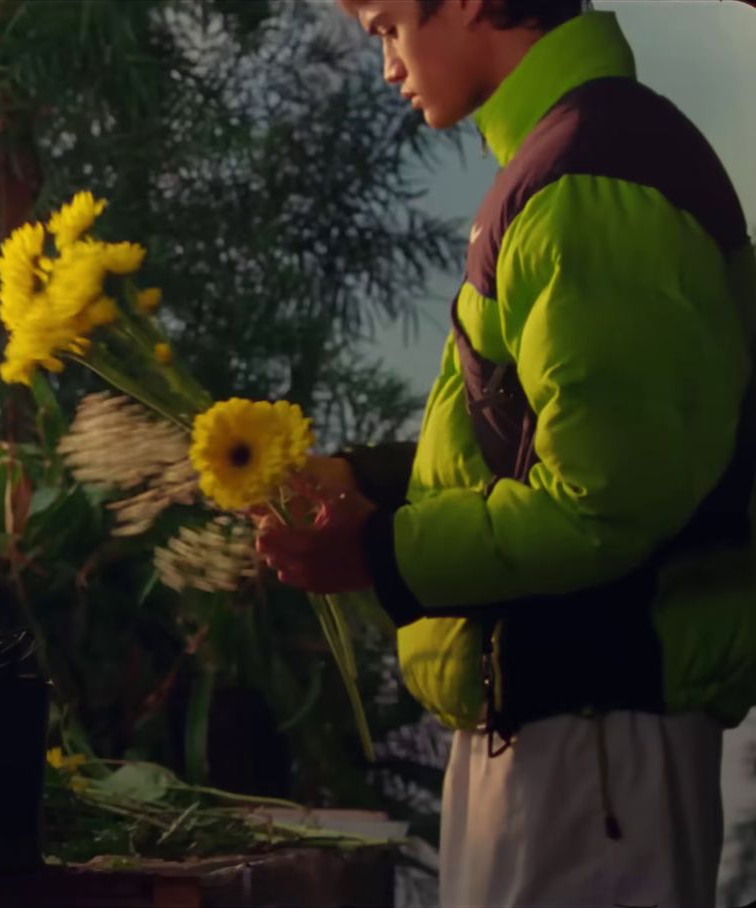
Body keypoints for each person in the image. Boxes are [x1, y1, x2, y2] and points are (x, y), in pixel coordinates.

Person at [255, 1, 756, 905]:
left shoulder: (593, 175)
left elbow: (605, 501)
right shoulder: (563, 161)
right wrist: (364, 484)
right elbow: (541, 451)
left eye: (385, 27)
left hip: (596, 744)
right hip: (557, 738)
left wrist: (377, 550)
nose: (388, 67)